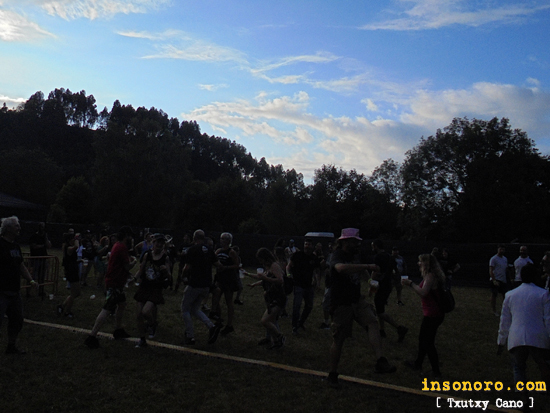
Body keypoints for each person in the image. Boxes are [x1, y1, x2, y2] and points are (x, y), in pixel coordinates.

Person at [327, 228, 396, 389]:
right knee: (339, 339)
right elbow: (340, 268)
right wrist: (368, 265)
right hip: (341, 303)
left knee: (372, 322)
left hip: (357, 300)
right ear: (345, 242)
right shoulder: (337, 255)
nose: (357, 244)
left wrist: (370, 281)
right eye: (354, 241)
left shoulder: (356, 254)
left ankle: (380, 361)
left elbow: (362, 270)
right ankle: (332, 373)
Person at [497, 264, 550, 403]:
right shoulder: (543, 294)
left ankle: (523, 398)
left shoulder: (510, 295)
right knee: (543, 364)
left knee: (518, 368)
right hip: (538, 336)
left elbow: (505, 321)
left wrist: (501, 341)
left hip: (516, 337)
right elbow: (548, 319)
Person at [84, 226, 137, 349]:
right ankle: (92, 336)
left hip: (116, 282)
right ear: (126, 236)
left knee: (122, 304)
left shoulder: (117, 245)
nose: (131, 238)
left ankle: (118, 329)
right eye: (130, 236)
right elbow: (127, 266)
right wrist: (134, 261)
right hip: (115, 283)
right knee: (107, 308)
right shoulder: (121, 247)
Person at [402, 253, 446, 377]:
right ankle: (418, 363)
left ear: (426, 263)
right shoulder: (431, 275)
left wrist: (411, 284)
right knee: (423, 339)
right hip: (433, 313)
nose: (418, 263)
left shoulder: (430, 276)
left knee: (428, 342)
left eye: (420, 261)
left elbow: (423, 292)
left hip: (433, 314)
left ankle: (436, 371)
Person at [0, 216, 38, 354]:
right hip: (1, 291)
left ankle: (11, 346)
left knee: (17, 321)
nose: (19, 228)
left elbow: (21, 266)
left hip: (15, 292)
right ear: (8, 228)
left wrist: (31, 280)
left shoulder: (16, 246)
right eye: (16, 225)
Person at [180, 230, 223, 345]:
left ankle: (190, 335)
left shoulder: (192, 249)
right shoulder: (209, 249)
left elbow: (187, 267)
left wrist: (183, 277)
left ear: (194, 238)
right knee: (195, 309)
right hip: (206, 285)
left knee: (185, 309)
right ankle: (211, 326)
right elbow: (218, 264)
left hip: (195, 283)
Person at [133, 234, 172, 348]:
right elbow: (141, 270)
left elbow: (170, 277)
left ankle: (152, 324)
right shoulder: (147, 255)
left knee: (145, 312)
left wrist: (165, 271)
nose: (159, 245)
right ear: (153, 243)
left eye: (161, 243)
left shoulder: (165, 258)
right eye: (157, 242)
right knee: (139, 315)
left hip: (155, 288)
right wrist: (134, 279)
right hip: (144, 286)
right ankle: (142, 339)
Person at [246, 248, 286, 350]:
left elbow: (280, 280)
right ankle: (275, 342)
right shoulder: (267, 267)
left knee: (265, 321)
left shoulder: (274, 266)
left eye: (261, 259)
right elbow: (263, 279)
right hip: (271, 297)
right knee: (271, 320)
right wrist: (249, 277)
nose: (260, 262)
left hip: (278, 297)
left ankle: (280, 337)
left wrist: (265, 278)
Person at [371, 239, 408, 342]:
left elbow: (375, 273)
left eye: (373, 246)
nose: (372, 248)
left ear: (376, 246)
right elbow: (395, 271)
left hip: (381, 285)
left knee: (379, 311)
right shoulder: (390, 257)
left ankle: (399, 328)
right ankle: (382, 330)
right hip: (388, 285)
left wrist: (372, 286)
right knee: (380, 308)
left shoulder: (377, 257)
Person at [209, 233, 240, 336]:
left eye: (223, 239)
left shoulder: (231, 252)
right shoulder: (218, 251)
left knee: (228, 301)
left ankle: (229, 325)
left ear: (228, 241)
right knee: (215, 298)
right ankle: (218, 318)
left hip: (228, 279)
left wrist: (226, 267)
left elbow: (237, 265)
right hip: (220, 278)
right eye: (221, 239)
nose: (221, 241)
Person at [287, 238, 320, 334]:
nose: (307, 246)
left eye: (309, 244)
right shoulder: (297, 255)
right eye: (306, 244)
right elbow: (289, 266)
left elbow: (317, 271)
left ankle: (300, 322)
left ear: (312, 246)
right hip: (298, 284)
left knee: (309, 306)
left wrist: (317, 282)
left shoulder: (314, 258)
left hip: (308, 285)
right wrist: (288, 275)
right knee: (297, 306)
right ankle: (294, 326)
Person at [57, 232, 81, 318]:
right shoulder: (68, 248)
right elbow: (76, 247)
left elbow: (71, 260)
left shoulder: (69, 248)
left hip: (73, 270)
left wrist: (79, 261)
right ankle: (67, 312)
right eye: (73, 239)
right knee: (74, 293)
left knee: (76, 293)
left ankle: (62, 306)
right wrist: (77, 239)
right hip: (71, 272)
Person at [28, 222, 51, 298]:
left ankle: (41, 291)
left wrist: (46, 238)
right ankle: (28, 291)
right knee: (32, 276)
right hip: (35, 259)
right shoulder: (34, 236)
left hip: (43, 258)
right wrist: (42, 246)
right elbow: (34, 246)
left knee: (42, 277)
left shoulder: (44, 236)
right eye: (41, 227)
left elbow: (49, 246)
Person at [489, 245, 509, 317]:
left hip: (503, 280)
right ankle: (494, 310)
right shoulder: (494, 259)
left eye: (503, 249)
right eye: (500, 249)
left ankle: (504, 310)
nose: (502, 251)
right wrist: (494, 280)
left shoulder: (505, 259)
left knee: (504, 295)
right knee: (494, 295)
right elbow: (491, 270)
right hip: (496, 279)